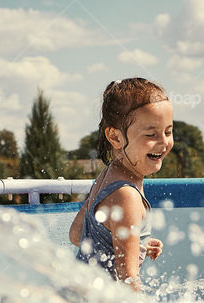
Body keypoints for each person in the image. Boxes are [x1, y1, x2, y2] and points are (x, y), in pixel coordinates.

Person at [69, 78, 167, 290]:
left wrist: (136, 245)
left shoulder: (106, 177)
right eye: (151, 134)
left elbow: (76, 235)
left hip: (79, 295)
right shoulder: (126, 195)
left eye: (168, 131)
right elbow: (128, 282)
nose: (163, 142)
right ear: (115, 137)